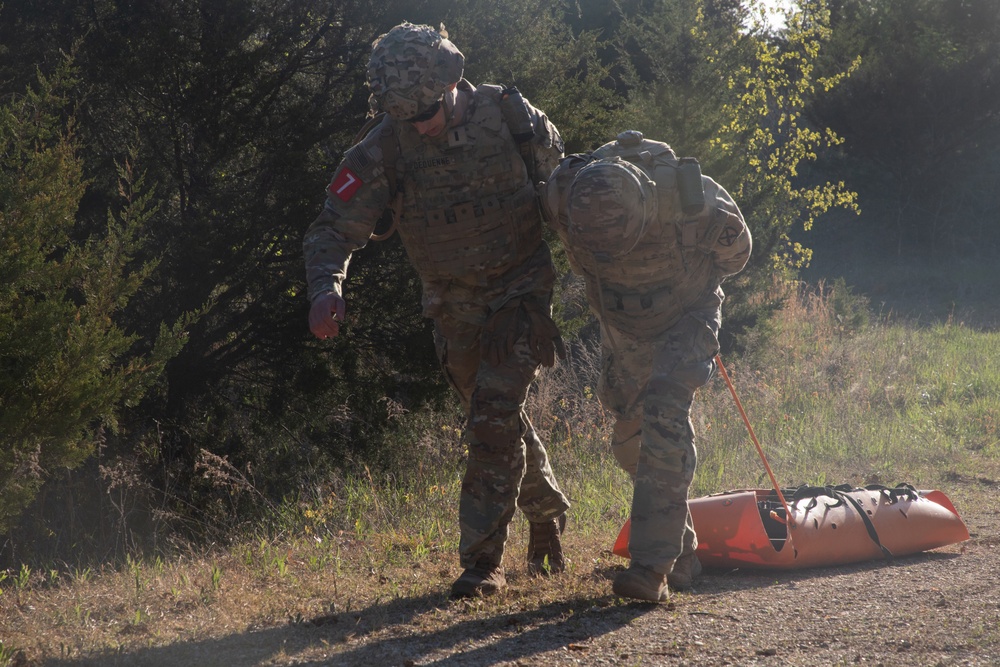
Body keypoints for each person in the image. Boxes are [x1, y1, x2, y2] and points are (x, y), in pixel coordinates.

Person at [303, 22, 570, 599]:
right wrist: (327, 287)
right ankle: (546, 511)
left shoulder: (510, 116)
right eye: (407, 116)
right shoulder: (382, 148)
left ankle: (481, 565)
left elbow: (563, 191)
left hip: (520, 292)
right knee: (496, 419)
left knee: (493, 419)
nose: (421, 125)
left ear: (452, 79)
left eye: (428, 111)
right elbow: (332, 229)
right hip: (452, 304)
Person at [541, 130, 751, 602]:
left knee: (663, 413)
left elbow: (736, 258)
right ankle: (683, 552)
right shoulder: (561, 194)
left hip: (686, 315)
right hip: (622, 323)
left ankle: (650, 568)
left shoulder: (692, 200)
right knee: (631, 440)